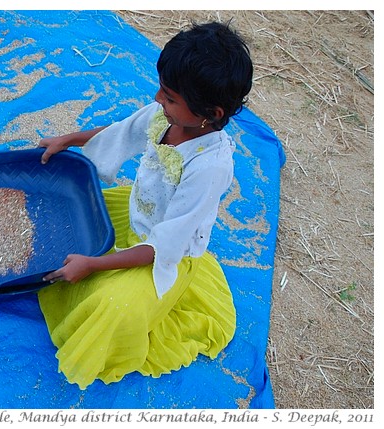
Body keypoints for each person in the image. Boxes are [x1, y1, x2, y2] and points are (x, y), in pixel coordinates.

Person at [37, 20, 253, 390]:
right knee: (65, 216)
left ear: (211, 114)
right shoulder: (165, 116)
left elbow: (163, 246)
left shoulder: (210, 167)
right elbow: (123, 131)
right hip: (137, 213)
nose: (157, 99)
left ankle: (102, 282)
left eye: (169, 97)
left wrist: (94, 265)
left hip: (164, 253)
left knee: (111, 306)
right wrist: (70, 139)